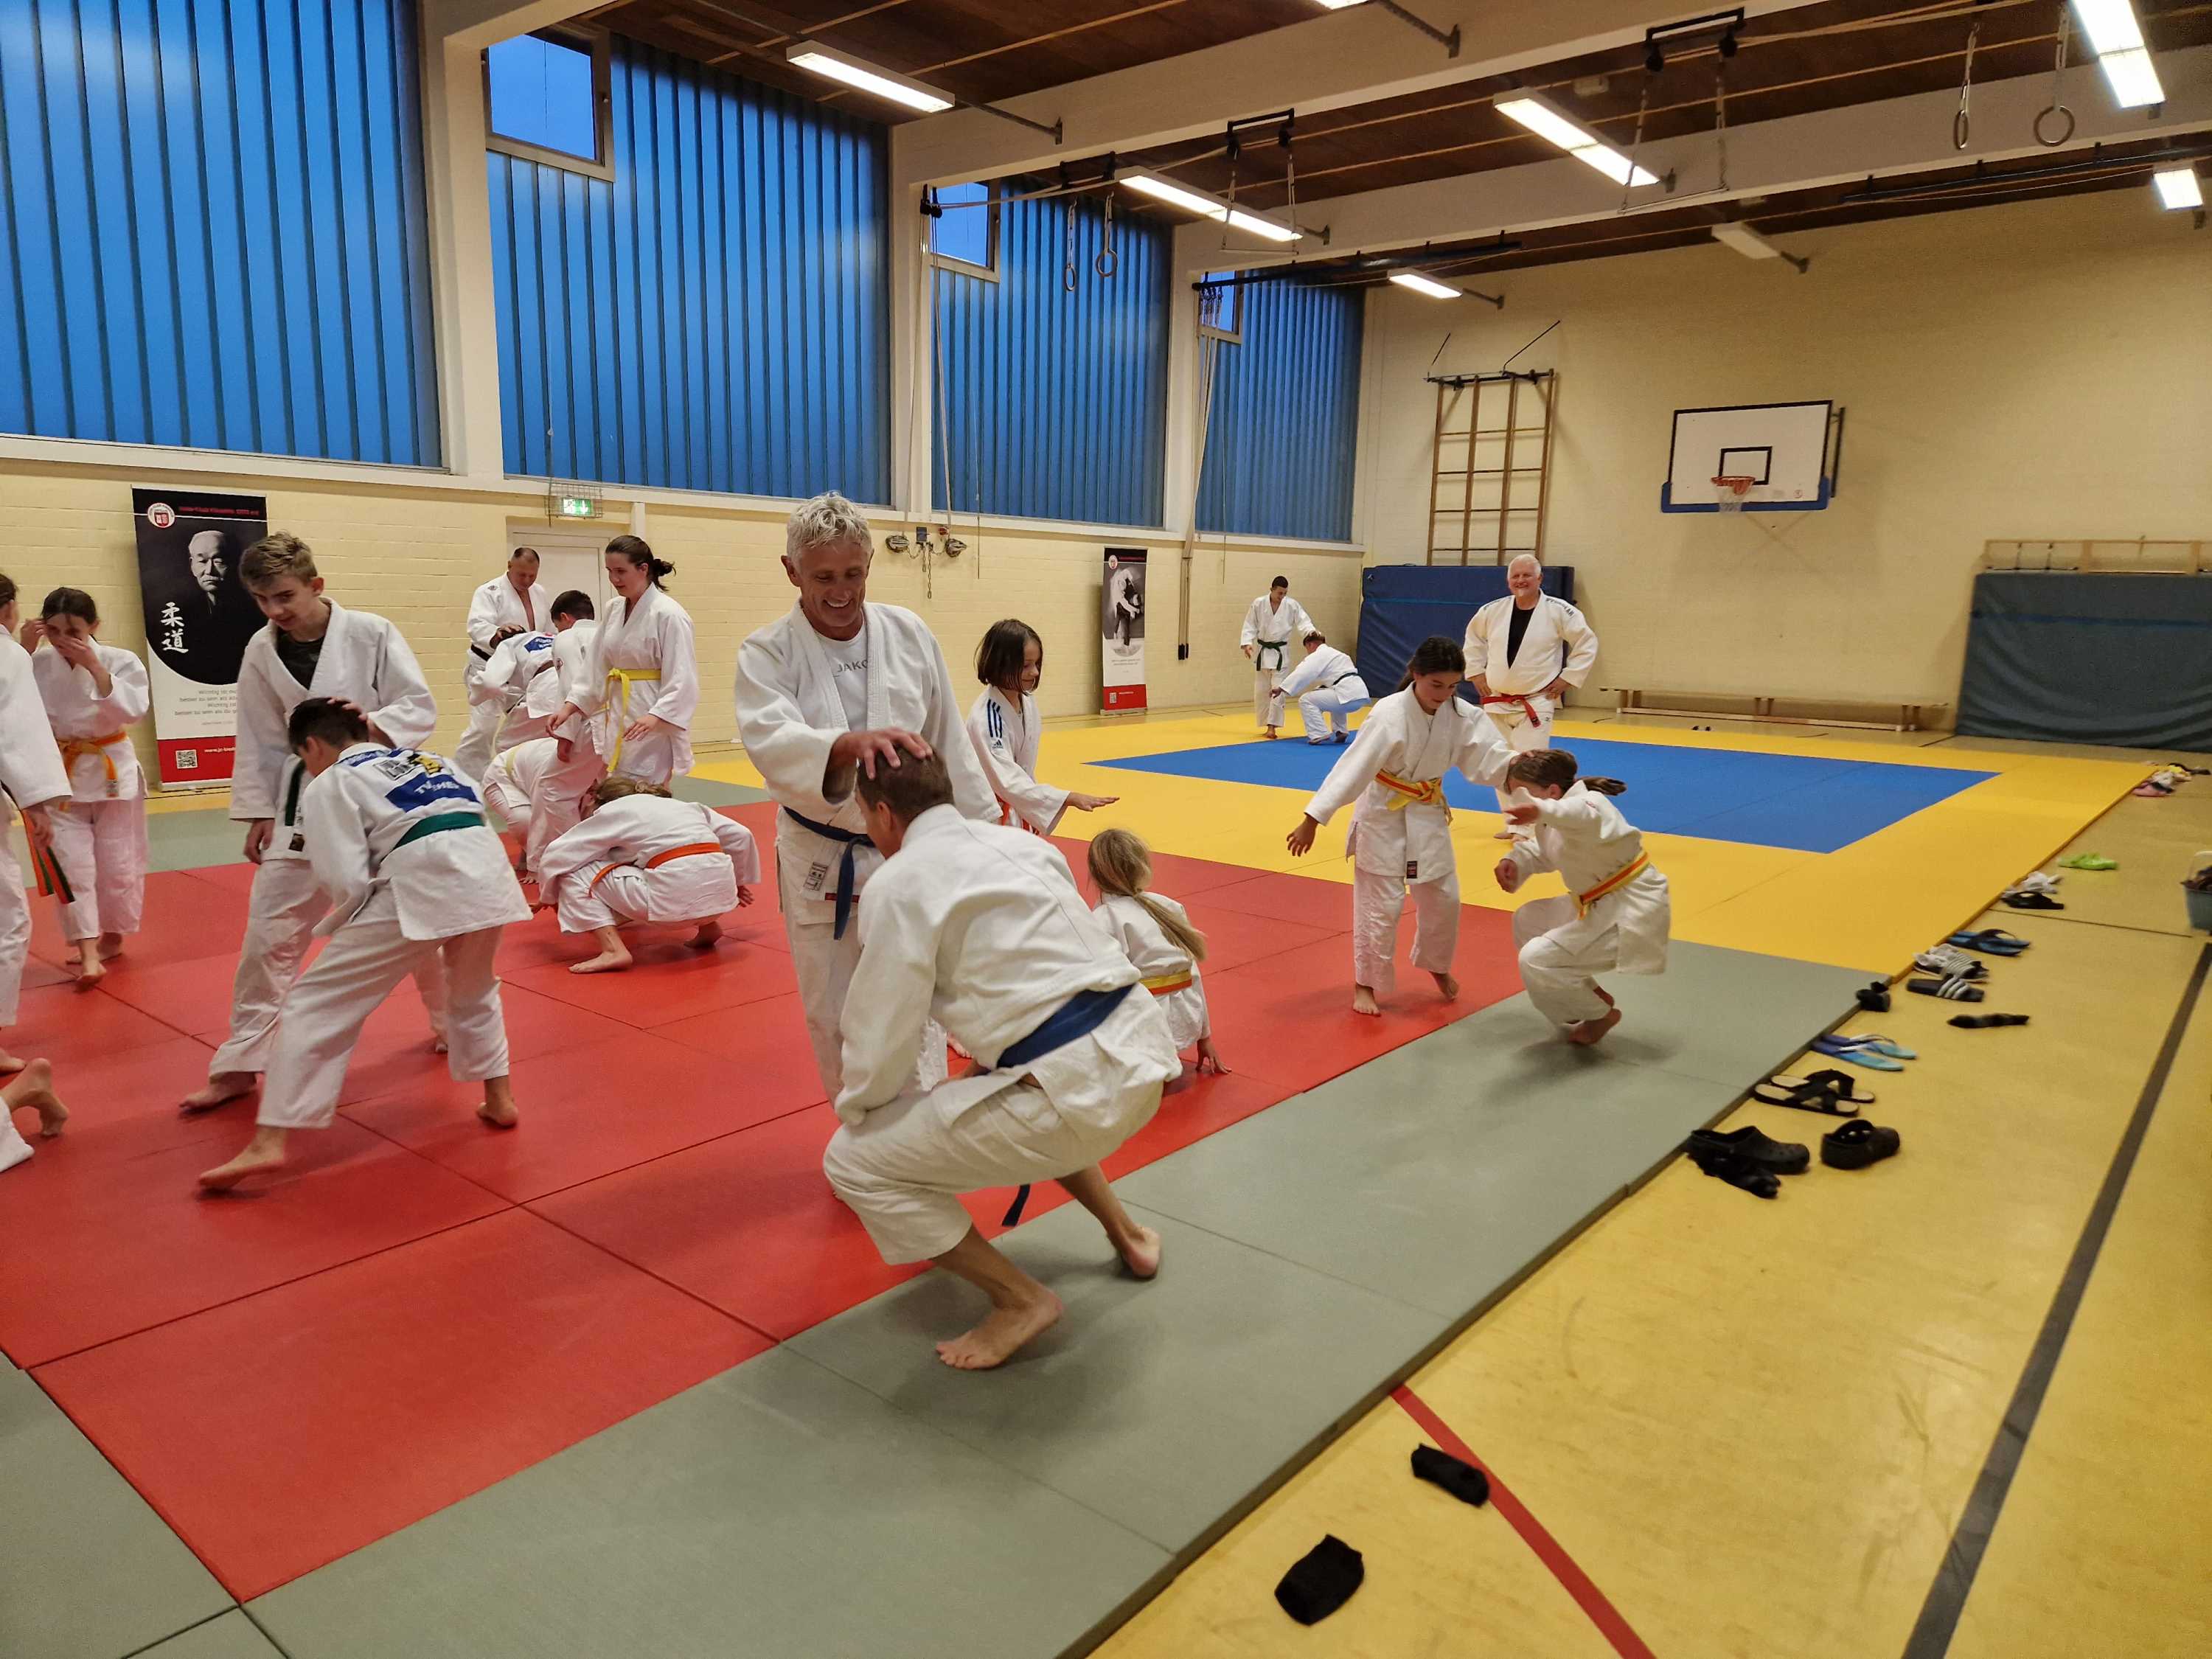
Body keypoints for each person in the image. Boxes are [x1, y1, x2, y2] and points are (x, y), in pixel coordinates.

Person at [821, 751, 1180, 1371]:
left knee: (851, 1162)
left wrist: (862, 1110)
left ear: (882, 813)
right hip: (1143, 1058)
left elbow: (884, 1029)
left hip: (1069, 1098)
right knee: (1016, 1077)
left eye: (865, 814)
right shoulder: (1025, 846)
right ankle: (1129, 1236)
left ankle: (1019, 1300)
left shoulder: (898, 884)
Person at [198, 700, 530, 1191]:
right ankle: (500, 1100)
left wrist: (345, 921)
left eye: (304, 758)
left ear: (312, 746)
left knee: (315, 1003)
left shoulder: (331, 781)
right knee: (475, 988)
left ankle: (269, 1142)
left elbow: (345, 876)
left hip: (422, 880)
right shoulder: (433, 759)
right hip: (489, 873)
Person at [733, 492, 998, 1098]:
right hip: (824, 856)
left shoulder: (908, 633)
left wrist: (984, 836)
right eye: (823, 577)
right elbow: (769, 740)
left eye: (853, 573)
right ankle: (861, 1127)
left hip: (911, 850)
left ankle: (920, 1122)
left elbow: (947, 741)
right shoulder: (767, 652)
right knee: (835, 1011)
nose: (841, 591)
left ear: (871, 563)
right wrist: (842, 747)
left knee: (917, 1000)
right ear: (791, 571)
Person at [181, 533, 446, 1114]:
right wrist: (256, 810)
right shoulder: (261, 648)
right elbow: (258, 733)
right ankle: (240, 1062)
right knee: (268, 934)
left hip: (377, 799)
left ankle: (455, 1024)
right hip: (299, 802)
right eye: (262, 600)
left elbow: (418, 705)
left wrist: (370, 724)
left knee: (415, 922)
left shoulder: (371, 632)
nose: (274, 610)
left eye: (284, 596)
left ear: (315, 585)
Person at [1285, 636, 1511, 1017]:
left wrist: (1525, 770)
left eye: (1453, 686)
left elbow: (1491, 758)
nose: (1444, 694)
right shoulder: (1388, 714)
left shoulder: (1461, 714)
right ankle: (1365, 983)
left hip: (1428, 813)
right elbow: (1353, 768)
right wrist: (1313, 818)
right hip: (1383, 816)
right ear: (1415, 674)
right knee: (1381, 906)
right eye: (1436, 684)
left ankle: (1437, 964)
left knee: (1444, 899)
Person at [1495, 748, 1667, 1046]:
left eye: (1522, 792)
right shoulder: (1552, 817)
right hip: (1596, 902)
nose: (1516, 800)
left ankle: (1601, 1015)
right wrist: (1515, 862)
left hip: (1629, 910)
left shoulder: (1591, 805)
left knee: (1536, 960)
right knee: (1528, 919)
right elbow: (1548, 850)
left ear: (1552, 791)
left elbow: (1578, 815)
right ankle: (1583, 997)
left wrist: (1541, 810)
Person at [26, 589, 151, 987]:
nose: (63, 641)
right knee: (72, 867)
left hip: (112, 771)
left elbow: (134, 711)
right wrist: (21, 650)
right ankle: (88, 954)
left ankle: (113, 936)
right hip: (58, 775)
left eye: (74, 632)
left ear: (94, 627)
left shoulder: (120, 660)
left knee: (118, 864)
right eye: (54, 631)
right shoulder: (35, 663)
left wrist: (95, 667)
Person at [535, 776, 760, 974]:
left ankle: (613, 951)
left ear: (599, 801)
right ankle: (709, 926)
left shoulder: (613, 811)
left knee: (575, 871)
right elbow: (741, 835)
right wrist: (739, 883)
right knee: (677, 859)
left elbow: (558, 854)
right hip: (722, 900)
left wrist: (548, 895)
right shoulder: (684, 806)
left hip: (672, 908)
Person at [0, 574, 72, 1085]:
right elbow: (16, 735)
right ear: (7, 609)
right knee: (7, 920)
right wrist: (37, 803)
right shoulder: (8, 655)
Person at [554, 537, 696, 788]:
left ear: (643, 569)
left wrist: (657, 716)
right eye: (609, 571)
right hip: (619, 709)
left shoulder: (669, 614)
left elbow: (683, 677)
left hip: (651, 715)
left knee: (646, 788)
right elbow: (596, 665)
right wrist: (571, 706)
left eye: (621, 571)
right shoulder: (614, 609)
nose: (614, 579)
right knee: (616, 784)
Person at [1087, 827, 1223, 1077]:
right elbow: (1193, 974)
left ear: (1095, 874)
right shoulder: (1168, 906)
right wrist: (1205, 1037)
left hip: (1143, 1027)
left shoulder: (1102, 919)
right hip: (1185, 1019)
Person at [968, 619, 1117, 833]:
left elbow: (1021, 773)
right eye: (1026, 666)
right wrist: (1066, 798)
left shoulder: (1027, 701)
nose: (1035, 672)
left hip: (1018, 804)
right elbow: (1007, 780)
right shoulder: (987, 718)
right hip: (991, 815)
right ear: (1001, 665)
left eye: (1037, 664)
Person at [1461, 556, 1598, 767]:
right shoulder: (1492, 610)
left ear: (1540, 578)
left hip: (1536, 701)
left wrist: (1568, 678)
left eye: (1527, 575)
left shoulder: (1560, 610)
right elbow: (1473, 639)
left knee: (1529, 766)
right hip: (1496, 701)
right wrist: (1476, 672)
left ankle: (1533, 791)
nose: (1521, 580)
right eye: (1515, 576)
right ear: (1508, 581)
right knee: (1497, 765)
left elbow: (1586, 643)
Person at [455, 548, 541, 781]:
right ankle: (467, 781)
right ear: (510, 566)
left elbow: (543, 630)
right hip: (487, 666)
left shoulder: (540, 593)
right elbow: (477, 626)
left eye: (532, 575)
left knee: (530, 723)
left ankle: (520, 776)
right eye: (522, 574)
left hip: (521, 672)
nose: (527, 580)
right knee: (483, 728)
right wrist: (497, 633)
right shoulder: (489, 591)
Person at [146, 529, 264, 683]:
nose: (209, 571)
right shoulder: (179, 610)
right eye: (202, 562)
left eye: (219, 561)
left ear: (234, 563)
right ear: (192, 565)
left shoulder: (254, 610)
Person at [1240, 576, 1314, 740]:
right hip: (1262, 653)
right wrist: (1247, 643)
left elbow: (1304, 623)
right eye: (1280, 593)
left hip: (1281, 654)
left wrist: (1312, 634)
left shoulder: (1291, 605)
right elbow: (1250, 624)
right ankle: (1266, 723)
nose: (1282, 596)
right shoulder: (1259, 603)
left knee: (1277, 690)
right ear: (1272, 590)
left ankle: (1272, 727)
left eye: (1285, 593)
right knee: (1261, 691)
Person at [1274, 628, 1369, 745]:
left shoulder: (1319, 655)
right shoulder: (1338, 654)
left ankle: (1319, 733)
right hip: (1360, 694)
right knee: (1333, 695)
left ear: (1310, 645)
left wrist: (1282, 688)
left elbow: (1303, 672)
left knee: (1306, 700)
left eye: (1307, 648)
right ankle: (1341, 730)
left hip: (1346, 694)